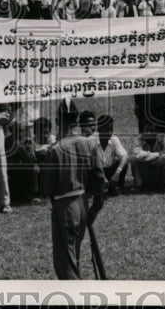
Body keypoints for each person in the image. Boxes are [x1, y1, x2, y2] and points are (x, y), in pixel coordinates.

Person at [39, 106, 106, 279]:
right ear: (76, 120)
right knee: (73, 255)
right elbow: (99, 177)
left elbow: (47, 187)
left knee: (65, 264)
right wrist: (95, 206)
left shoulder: (55, 149)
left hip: (64, 206)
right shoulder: (89, 143)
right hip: (83, 203)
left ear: (57, 121)